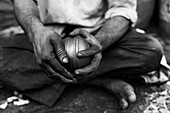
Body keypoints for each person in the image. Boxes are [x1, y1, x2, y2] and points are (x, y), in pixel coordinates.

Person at [0, 0, 163, 109]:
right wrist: (36, 32)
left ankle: (63, 75)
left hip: (97, 31)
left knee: (150, 50)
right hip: (47, 33)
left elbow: (122, 10)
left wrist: (99, 42)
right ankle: (100, 80)